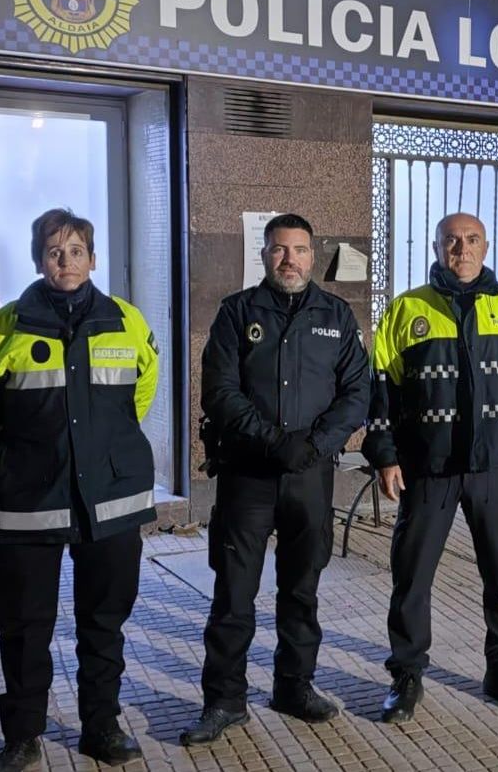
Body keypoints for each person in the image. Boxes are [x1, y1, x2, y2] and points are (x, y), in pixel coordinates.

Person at [0, 208, 159, 771]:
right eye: (54, 252)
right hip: (29, 497)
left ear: (93, 260)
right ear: (38, 260)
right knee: (26, 625)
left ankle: (101, 725)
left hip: (112, 500)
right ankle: (23, 735)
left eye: (76, 251)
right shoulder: (6, 327)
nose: (65, 261)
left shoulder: (127, 320)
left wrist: (103, 447)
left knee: (104, 622)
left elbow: (140, 393)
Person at [181, 213, 370, 746]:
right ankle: (224, 701)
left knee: (302, 589)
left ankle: (293, 686)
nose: (290, 259)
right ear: (264, 256)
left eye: (300, 250)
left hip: (311, 478)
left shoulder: (336, 314)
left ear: (314, 255)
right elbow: (219, 392)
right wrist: (273, 441)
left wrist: (314, 445)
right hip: (249, 477)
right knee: (234, 594)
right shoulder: (236, 313)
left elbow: (357, 392)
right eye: (280, 249)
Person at [365, 212, 498, 723]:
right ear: (437, 246)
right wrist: (384, 456)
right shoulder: (407, 310)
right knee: (412, 576)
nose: (461, 250)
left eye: (471, 241)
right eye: (452, 241)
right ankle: (406, 676)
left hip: (494, 466)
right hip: (428, 467)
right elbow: (380, 391)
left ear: (486, 247)